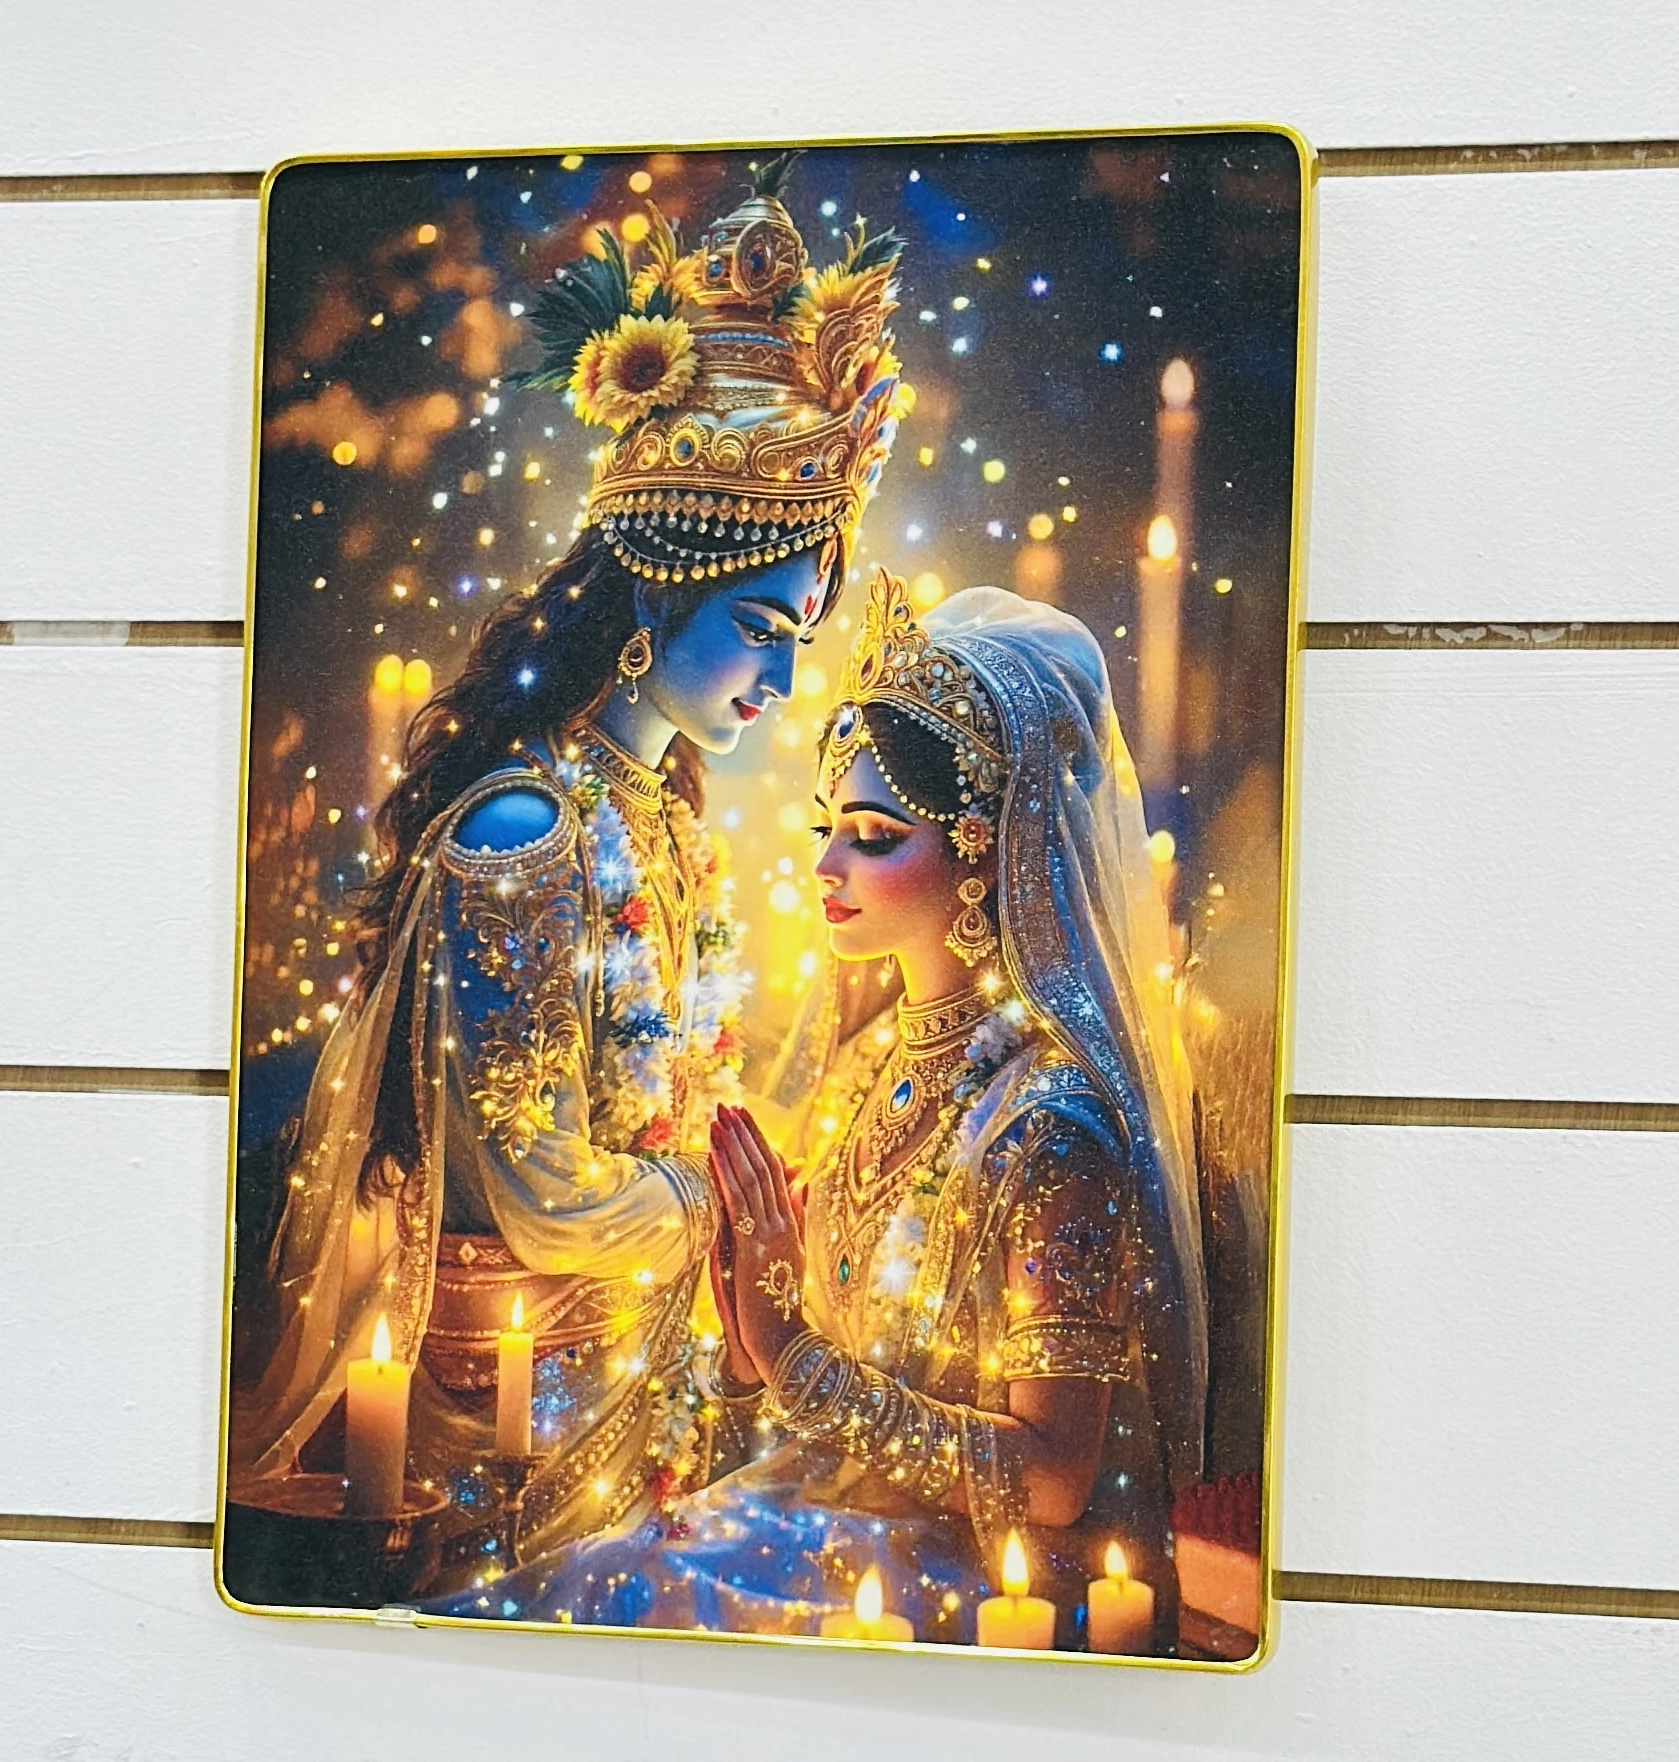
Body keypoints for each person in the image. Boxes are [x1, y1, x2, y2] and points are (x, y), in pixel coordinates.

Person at [226, 154, 913, 1571]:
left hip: (633, 1380)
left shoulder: (655, 810)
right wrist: (726, 1207)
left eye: (797, 639)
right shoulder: (523, 833)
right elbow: (541, 1189)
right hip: (508, 1417)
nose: (782, 683)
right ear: (655, 598)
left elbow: (673, 1096)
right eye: (760, 631)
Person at [440, 572, 1209, 1650]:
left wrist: (791, 1355)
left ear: (986, 851)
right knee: (554, 1595)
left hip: (982, 1577)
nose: (825, 864)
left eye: (873, 836)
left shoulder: (1051, 1127)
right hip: (830, 1516)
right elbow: (824, 1377)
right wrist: (750, 1344)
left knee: (596, 1609)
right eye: (824, 827)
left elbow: (1051, 1480)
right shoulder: (881, 1072)